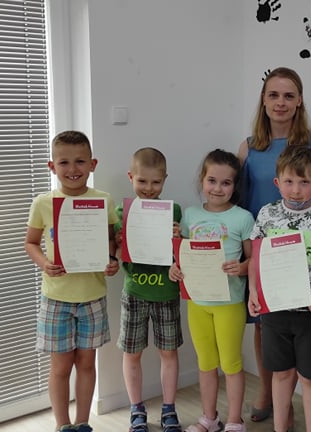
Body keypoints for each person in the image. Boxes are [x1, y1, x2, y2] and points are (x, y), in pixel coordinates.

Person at [236, 66, 311, 423]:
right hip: (264, 251)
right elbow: (239, 203)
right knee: (264, 324)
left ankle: (294, 401)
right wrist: (246, 255)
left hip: (308, 254)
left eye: (288, 95)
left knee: (305, 337)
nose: (280, 102)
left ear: (299, 102)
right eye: (273, 95)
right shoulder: (249, 147)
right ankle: (269, 393)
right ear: (263, 101)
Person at [24, 130, 120, 432]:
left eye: (80, 161)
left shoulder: (103, 200)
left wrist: (112, 259)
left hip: (92, 297)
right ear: (52, 166)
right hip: (56, 299)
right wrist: (45, 264)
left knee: (87, 364)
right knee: (61, 366)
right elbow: (30, 243)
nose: (72, 169)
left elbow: (110, 240)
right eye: (64, 162)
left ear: (93, 164)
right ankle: (62, 425)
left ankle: (82, 423)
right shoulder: (43, 203)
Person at [247, 145, 311, 432]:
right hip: (275, 310)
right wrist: (253, 292)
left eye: (304, 182)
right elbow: (256, 259)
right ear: (277, 182)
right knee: (282, 374)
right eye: (289, 181)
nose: (296, 189)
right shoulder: (267, 214)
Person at [168, 149, 255, 432]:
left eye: (226, 183)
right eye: (212, 181)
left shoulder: (243, 218)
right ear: (202, 181)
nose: (218, 188)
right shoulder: (190, 215)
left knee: (231, 363)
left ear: (235, 185)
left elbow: (254, 260)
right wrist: (174, 268)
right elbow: (181, 255)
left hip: (229, 303)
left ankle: (235, 420)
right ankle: (209, 418)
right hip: (197, 302)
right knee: (205, 363)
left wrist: (242, 268)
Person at [114, 148, 184, 432]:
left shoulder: (173, 211)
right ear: (131, 177)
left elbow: (180, 256)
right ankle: (136, 408)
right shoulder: (122, 212)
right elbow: (116, 254)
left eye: (156, 182)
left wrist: (178, 239)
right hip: (134, 293)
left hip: (166, 293)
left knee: (168, 353)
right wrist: (118, 244)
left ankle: (169, 408)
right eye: (142, 181)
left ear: (165, 180)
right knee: (132, 353)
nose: (149, 188)